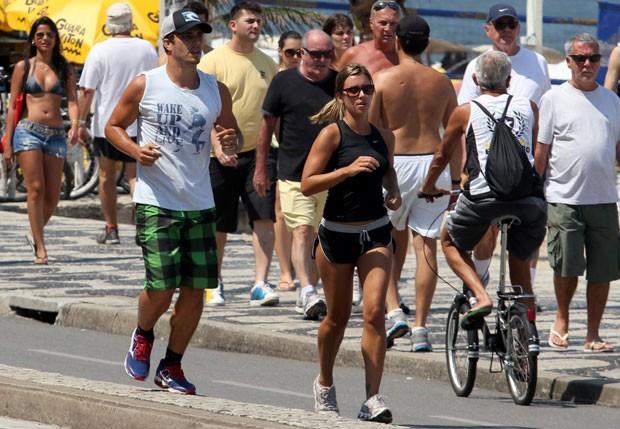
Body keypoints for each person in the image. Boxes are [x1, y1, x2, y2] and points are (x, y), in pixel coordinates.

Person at [107, 9, 240, 394]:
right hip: (155, 200)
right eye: (188, 36)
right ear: (169, 42)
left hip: (199, 202)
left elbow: (227, 133)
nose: (196, 43)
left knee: (196, 290)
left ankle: (172, 365)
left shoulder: (216, 90)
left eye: (200, 36)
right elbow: (113, 127)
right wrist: (136, 150)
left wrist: (227, 143)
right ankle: (144, 332)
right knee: (161, 286)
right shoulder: (145, 84)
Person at [302, 63, 400, 423]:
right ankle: (325, 383)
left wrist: (395, 192)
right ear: (341, 95)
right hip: (337, 235)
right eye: (354, 90)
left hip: (376, 231)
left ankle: (372, 398)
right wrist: (345, 171)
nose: (361, 95)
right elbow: (307, 183)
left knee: (374, 313)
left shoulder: (384, 136)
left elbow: (388, 172)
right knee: (337, 317)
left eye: (367, 89)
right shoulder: (332, 134)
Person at [419, 50, 545, 329]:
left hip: (483, 198)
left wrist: (428, 186)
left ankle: (480, 295)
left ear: (475, 79)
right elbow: (532, 153)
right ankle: (529, 339)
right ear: (509, 80)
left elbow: (442, 155)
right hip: (528, 201)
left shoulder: (465, 111)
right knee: (521, 270)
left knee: (449, 241)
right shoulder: (529, 107)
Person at [369, 15, 457, 352]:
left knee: (383, 240)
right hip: (433, 163)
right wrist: (458, 174)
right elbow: (453, 131)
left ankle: (395, 312)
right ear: (427, 43)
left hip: (398, 162)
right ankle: (421, 326)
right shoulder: (441, 82)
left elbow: (374, 130)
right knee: (426, 246)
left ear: (397, 40)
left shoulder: (384, 79)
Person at [535, 33, 620, 352]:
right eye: (580, 58)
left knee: (603, 270)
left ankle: (593, 334)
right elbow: (541, 152)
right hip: (564, 198)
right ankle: (562, 318)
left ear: (601, 62)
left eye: (594, 59)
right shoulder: (554, 99)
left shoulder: (612, 101)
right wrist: (535, 192)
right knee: (566, 266)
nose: (587, 64)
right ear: (568, 61)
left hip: (604, 199)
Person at [458, 3, 551, 293]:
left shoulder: (538, 62)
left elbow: (545, 116)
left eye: (512, 24)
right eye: (500, 25)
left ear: (519, 29)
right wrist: (465, 170)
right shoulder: (477, 66)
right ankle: (481, 281)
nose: (507, 31)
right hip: (486, 165)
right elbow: (466, 121)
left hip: (527, 167)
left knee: (529, 235)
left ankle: (526, 296)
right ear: (488, 30)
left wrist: (540, 168)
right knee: (487, 230)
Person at [198, 1, 279, 307]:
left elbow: (274, 113)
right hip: (217, 155)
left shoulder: (268, 64)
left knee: (264, 217)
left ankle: (260, 282)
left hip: (259, 155)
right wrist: (217, 147)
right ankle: (214, 282)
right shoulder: (212, 62)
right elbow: (202, 111)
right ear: (233, 25)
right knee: (220, 222)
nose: (255, 26)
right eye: (249, 21)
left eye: (258, 21)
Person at [255, 29, 335, 320]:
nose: (322, 60)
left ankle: (309, 288)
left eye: (327, 54)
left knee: (319, 236)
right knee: (301, 230)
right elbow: (266, 128)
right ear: (302, 53)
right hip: (292, 173)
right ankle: (308, 289)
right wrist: (262, 168)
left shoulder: (337, 82)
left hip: (331, 175)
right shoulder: (283, 82)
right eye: (316, 54)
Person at [77, 2, 159, 244]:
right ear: (131, 22)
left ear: (108, 24)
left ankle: (111, 228)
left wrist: (80, 122)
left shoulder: (99, 51)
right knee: (136, 178)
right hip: (139, 123)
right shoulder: (147, 49)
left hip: (108, 124)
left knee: (106, 175)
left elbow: (87, 91)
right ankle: (142, 227)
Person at [2, 16, 79, 265]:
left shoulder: (64, 67)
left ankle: (34, 232)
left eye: (50, 35)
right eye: (40, 35)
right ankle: (41, 247)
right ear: (33, 39)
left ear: (56, 39)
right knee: (36, 189)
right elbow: (13, 106)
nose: (45, 39)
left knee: (54, 196)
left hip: (56, 134)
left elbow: (74, 100)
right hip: (28, 131)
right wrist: (8, 143)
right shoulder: (24, 68)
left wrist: (76, 124)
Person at [274, 30, 303, 292]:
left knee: (303, 215)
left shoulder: (307, 78)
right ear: (280, 53)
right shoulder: (278, 78)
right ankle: (285, 271)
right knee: (281, 213)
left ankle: (300, 266)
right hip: (279, 150)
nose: (295, 57)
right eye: (290, 52)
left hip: (303, 152)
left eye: (299, 52)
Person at [336, 0, 400, 74]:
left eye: (393, 24)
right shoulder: (354, 55)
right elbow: (337, 84)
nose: (388, 29)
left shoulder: (407, 56)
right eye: (383, 23)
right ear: (371, 24)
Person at [158, 1, 212, 65]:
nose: (197, 41)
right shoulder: (165, 61)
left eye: (201, 24)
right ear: (167, 43)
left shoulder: (213, 55)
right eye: (188, 36)